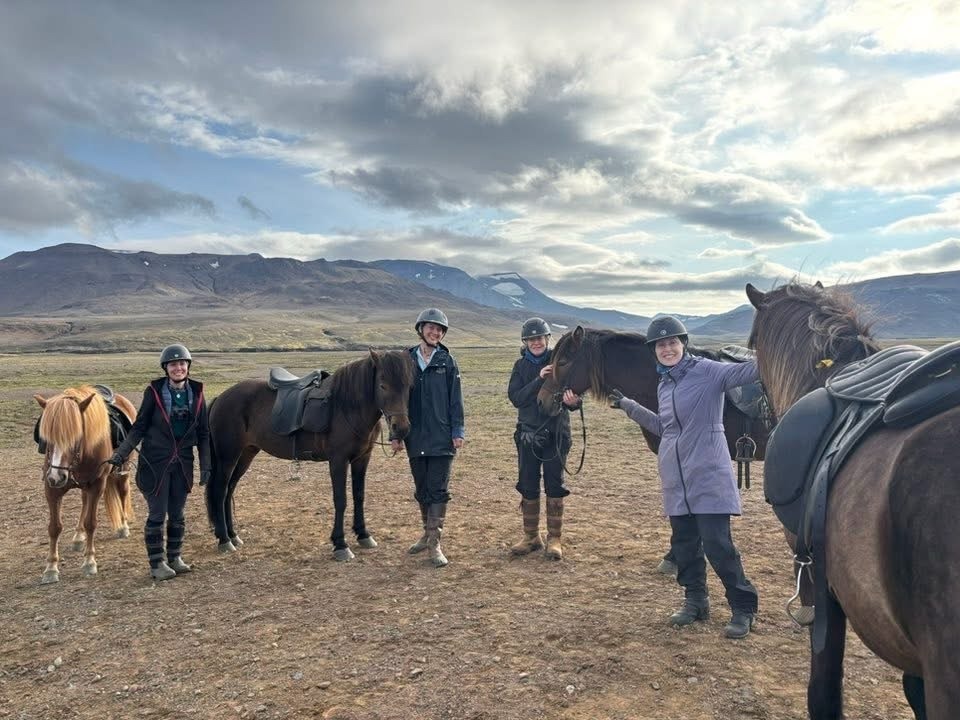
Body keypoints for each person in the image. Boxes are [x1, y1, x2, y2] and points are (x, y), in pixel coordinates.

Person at [609, 316, 759, 639]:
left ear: (684, 343)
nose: (667, 348)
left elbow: (749, 371)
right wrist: (628, 406)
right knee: (685, 545)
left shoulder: (707, 371)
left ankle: (743, 607)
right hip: (676, 478)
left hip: (708, 474)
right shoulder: (665, 385)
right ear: (654, 351)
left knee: (718, 545)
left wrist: (779, 349)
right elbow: (667, 429)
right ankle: (696, 602)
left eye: (672, 342)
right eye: (661, 345)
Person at [109, 344, 210, 581]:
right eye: (173, 364)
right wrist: (120, 454)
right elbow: (139, 427)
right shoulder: (152, 392)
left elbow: (204, 433)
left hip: (183, 463)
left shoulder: (197, 393)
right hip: (155, 463)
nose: (178, 367)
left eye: (182, 363)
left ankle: (175, 557)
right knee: (157, 513)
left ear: (188, 366)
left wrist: (206, 465)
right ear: (166, 368)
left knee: (177, 513)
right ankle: (157, 564)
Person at [391, 309, 465, 569]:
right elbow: (396, 400)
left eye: (440, 330)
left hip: (442, 436)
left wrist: (458, 432)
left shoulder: (447, 361)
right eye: (431, 328)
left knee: (438, 490)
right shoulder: (406, 360)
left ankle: (435, 543)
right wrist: (396, 435)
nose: (435, 333)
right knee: (422, 489)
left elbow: (455, 400)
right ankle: (426, 533)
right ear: (421, 329)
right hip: (414, 437)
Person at [507, 317, 581, 560]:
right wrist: (539, 378)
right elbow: (516, 397)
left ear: (547, 339)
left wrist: (574, 402)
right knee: (527, 484)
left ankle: (555, 538)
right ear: (525, 342)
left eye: (540, 338)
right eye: (531, 339)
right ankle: (531, 537)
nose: (536, 342)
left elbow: (574, 397)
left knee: (555, 485)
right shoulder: (520, 366)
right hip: (528, 435)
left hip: (556, 434)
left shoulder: (560, 362)